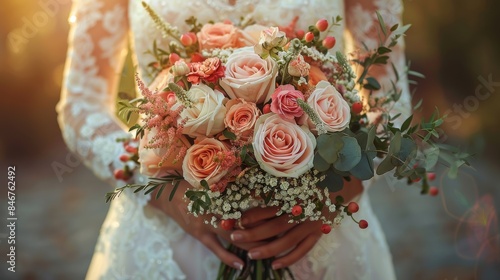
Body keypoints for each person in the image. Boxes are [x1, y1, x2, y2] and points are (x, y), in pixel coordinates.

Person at [57, 0, 412, 279]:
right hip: (170, 234)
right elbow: (81, 102)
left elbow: (392, 99)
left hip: (317, 233)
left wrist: (341, 188)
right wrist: (159, 191)